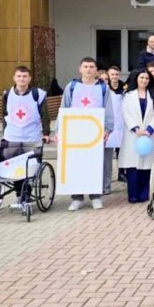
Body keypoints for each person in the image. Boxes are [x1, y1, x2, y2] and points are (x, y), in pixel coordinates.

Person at [59, 57, 114, 211]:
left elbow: (108, 109)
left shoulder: (103, 87)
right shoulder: (71, 86)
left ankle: (96, 196)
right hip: (75, 131)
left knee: (95, 164)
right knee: (76, 164)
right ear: (80, 69)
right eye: (85, 66)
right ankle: (77, 197)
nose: (88, 69)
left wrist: (108, 129)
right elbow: (64, 108)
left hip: (95, 132)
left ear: (96, 70)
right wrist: (59, 130)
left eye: (91, 67)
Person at [0, 66, 51, 209]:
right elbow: (4, 115)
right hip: (12, 137)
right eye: (19, 76)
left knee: (30, 168)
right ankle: (20, 195)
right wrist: (4, 133)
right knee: (14, 168)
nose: (21, 79)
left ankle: (25, 195)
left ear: (29, 78)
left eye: (24, 76)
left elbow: (45, 115)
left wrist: (46, 133)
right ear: (14, 78)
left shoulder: (38, 94)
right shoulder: (7, 94)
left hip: (31, 137)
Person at [119, 70, 154, 203]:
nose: (144, 80)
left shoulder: (153, 95)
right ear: (136, 79)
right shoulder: (128, 95)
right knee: (132, 166)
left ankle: (144, 194)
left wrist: (149, 129)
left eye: (147, 78)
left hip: (149, 135)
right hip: (133, 134)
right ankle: (133, 195)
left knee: (147, 166)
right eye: (141, 78)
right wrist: (136, 128)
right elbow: (125, 113)